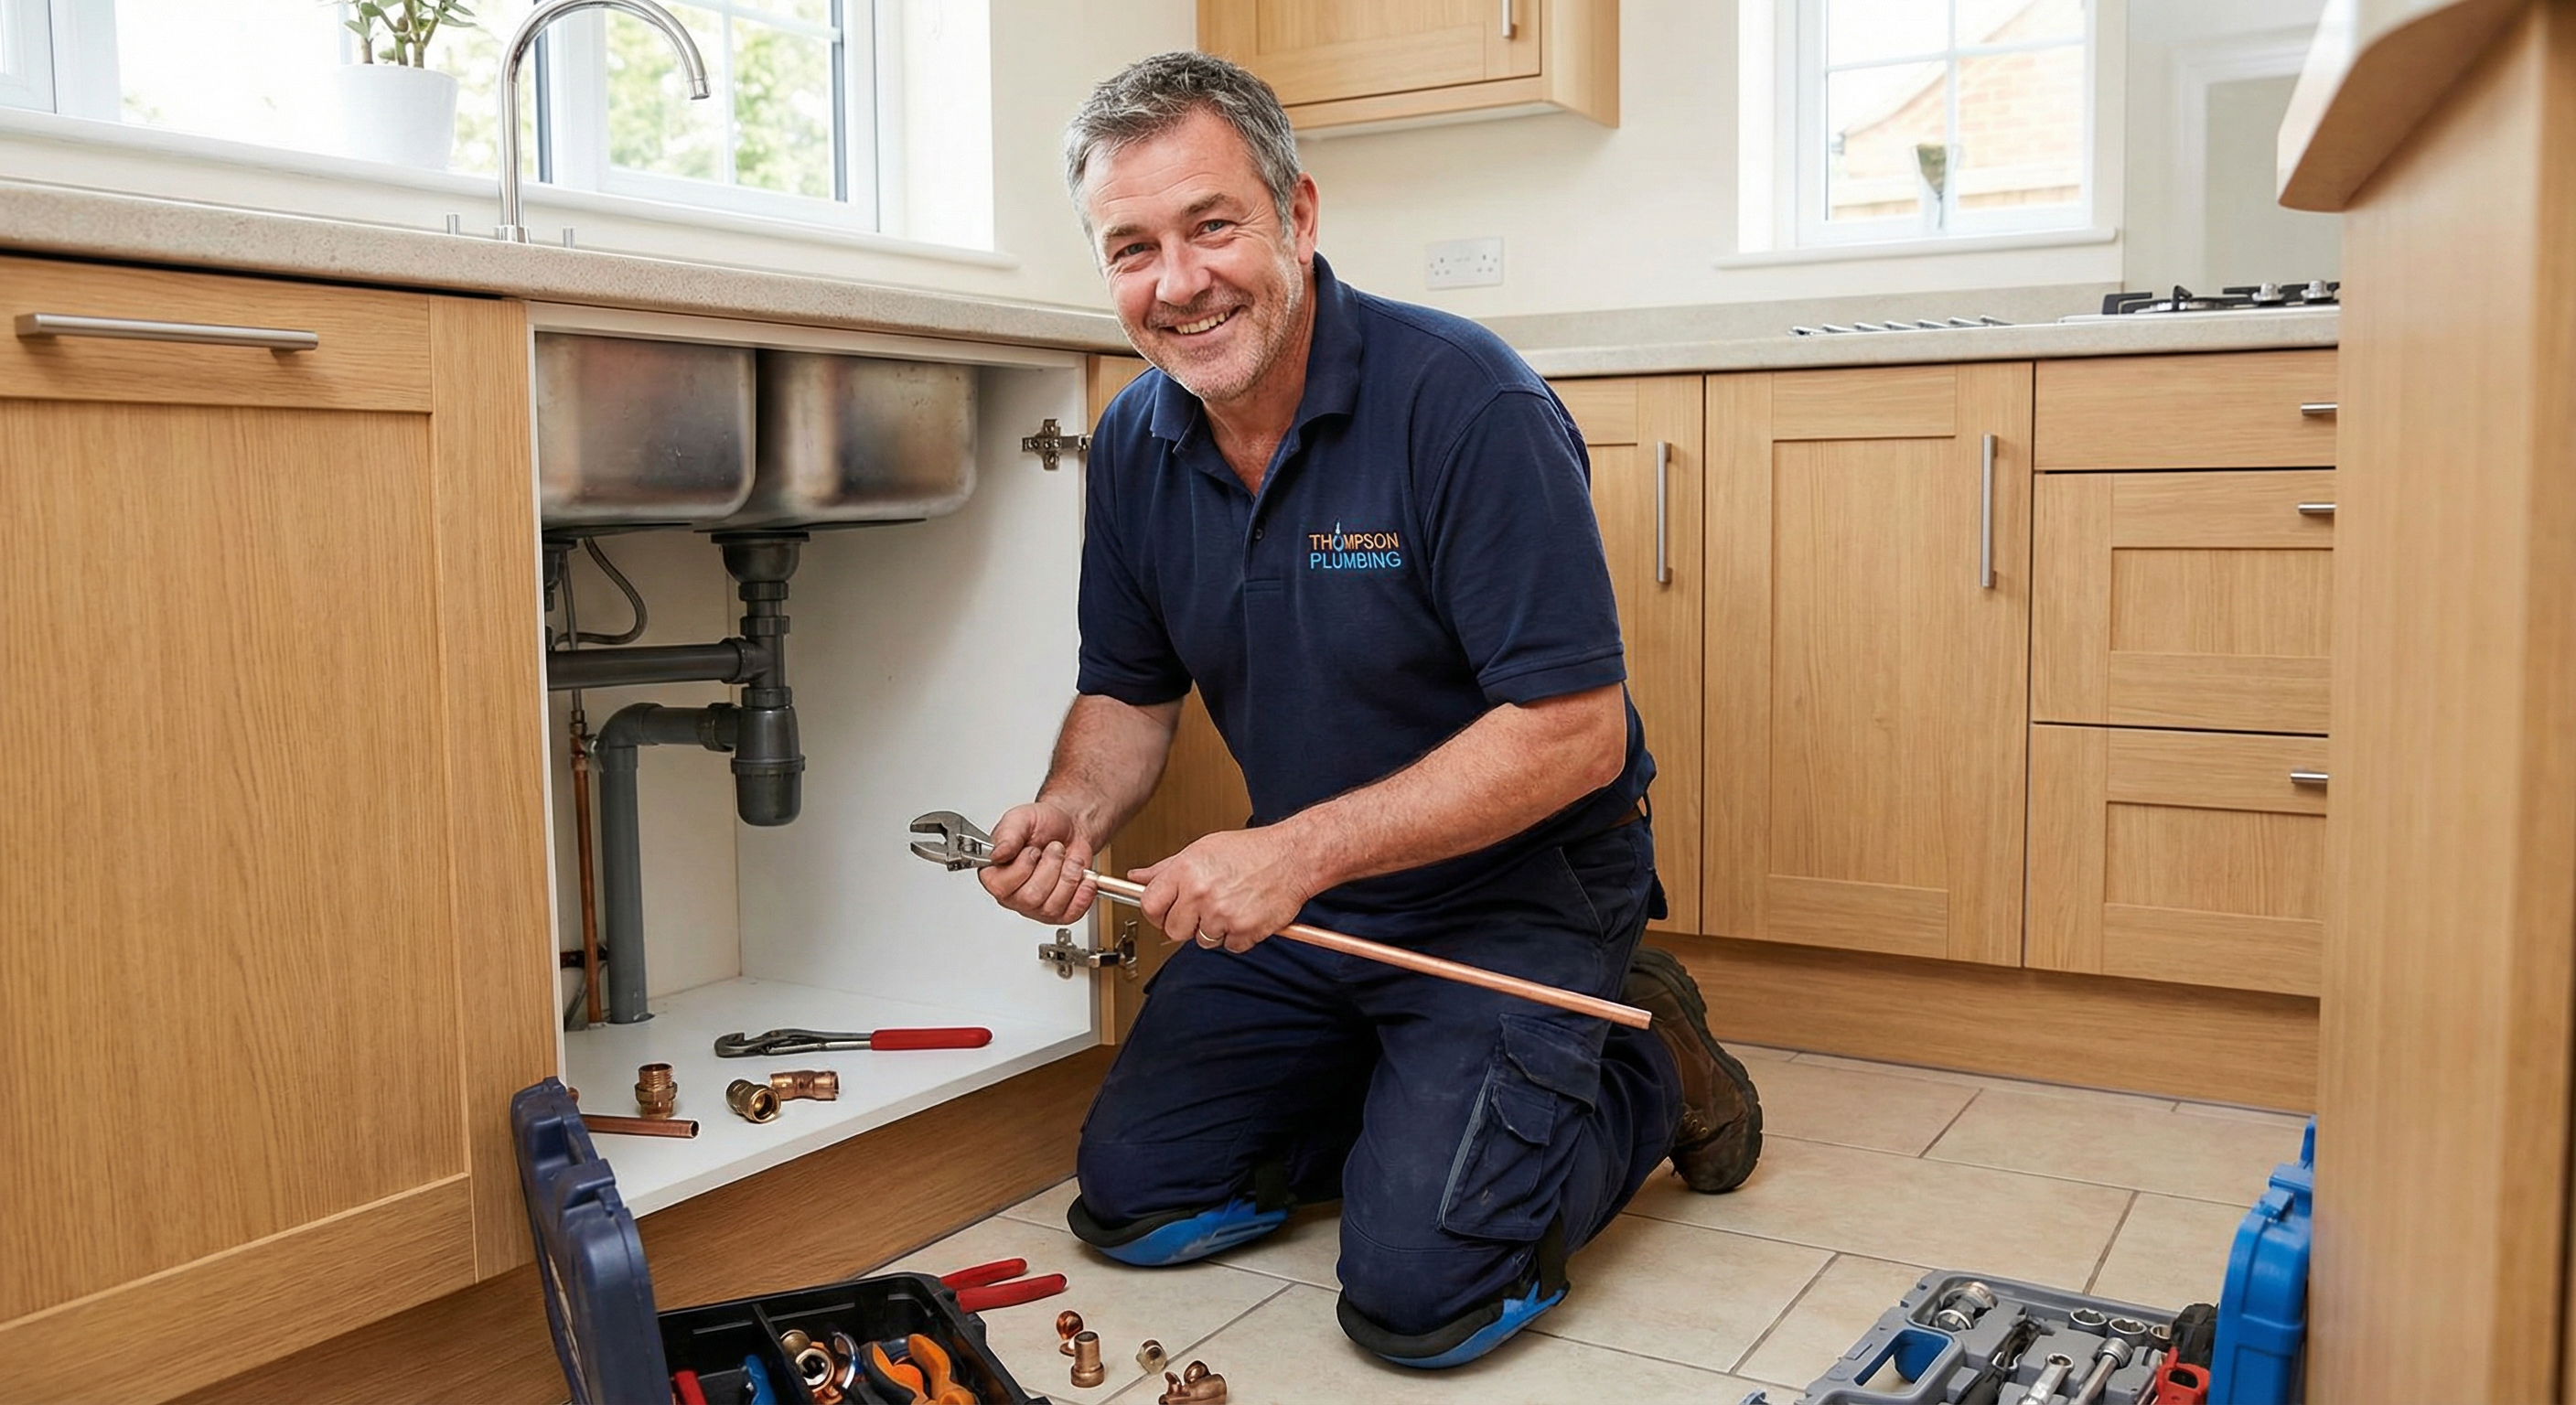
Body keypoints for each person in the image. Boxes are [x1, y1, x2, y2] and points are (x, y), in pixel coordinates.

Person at [974, 50, 1765, 1368]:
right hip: (1316, 898)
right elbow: (1126, 691)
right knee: (1139, 1206)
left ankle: (1646, 1060)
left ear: (1297, 216)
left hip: (1519, 888)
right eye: (1133, 249)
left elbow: (1573, 733)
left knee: (1424, 1304)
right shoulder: (1132, 442)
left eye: (1212, 226)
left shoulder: (1467, 403)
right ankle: (1429, 1092)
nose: (1178, 282)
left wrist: (1293, 852)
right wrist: (1069, 813)